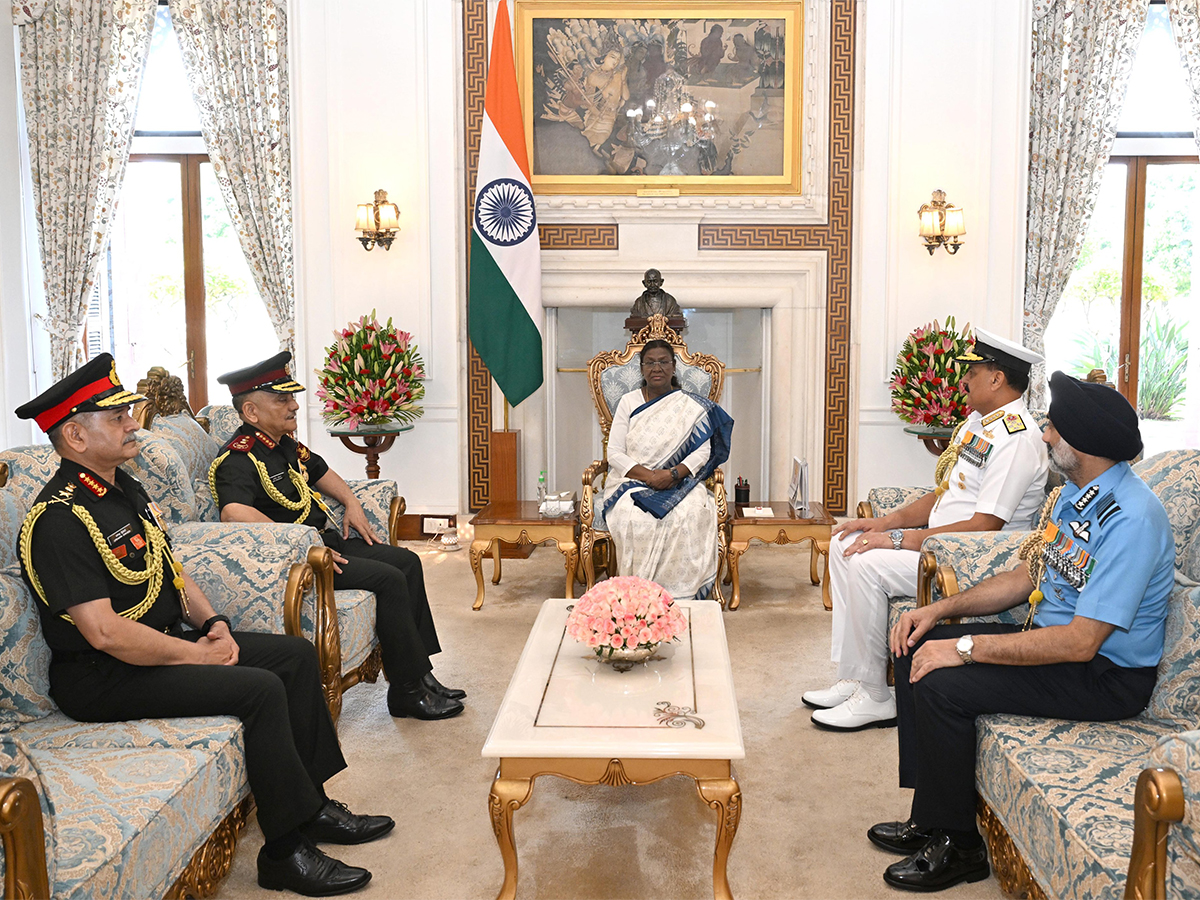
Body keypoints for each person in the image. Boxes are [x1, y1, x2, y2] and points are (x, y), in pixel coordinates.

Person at [15, 354, 392, 897]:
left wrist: (215, 623)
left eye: (128, 414)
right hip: (102, 675)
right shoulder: (59, 518)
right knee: (260, 689)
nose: (132, 424)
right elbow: (104, 633)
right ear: (74, 434)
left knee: (295, 655)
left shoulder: (125, 491)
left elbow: (172, 571)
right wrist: (197, 654)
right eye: (116, 417)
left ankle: (311, 807)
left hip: (161, 646)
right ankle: (284, 852)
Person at [874, 371, 1173, 892]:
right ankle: (933, 818)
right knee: (915, 644)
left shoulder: (1134, 519)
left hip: (1105, 675)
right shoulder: (1076, 494)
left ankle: (961, 848)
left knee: (945, 684)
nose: (1046, 436)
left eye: (1055, 429)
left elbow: (1081, 642)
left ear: (1086, 444)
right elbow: (1026, 576)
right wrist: (941, 612)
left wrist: (967, 649)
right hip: (1060, 648)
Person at [805, 329, 1048, 730]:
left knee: (867, 564)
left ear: (996, 379)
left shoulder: (1017, 439)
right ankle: (855, 676)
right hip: (942, 544)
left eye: (972, 372)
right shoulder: (977, 423)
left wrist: (897, 540)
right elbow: (941, 494)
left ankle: (877, 697)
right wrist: (882, 523)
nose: (963, 380)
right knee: (846, 541)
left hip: (976, 559)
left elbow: (985, 525)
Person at [208, 352, 465, 721]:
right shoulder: (237, 458)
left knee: (406, 561)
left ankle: (420, 675)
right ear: (251, 412)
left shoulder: (282, 444)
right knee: (389, 579)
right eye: (282, 400)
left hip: (327, 543)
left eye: (291, 397)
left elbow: (321, 471)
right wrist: (298, 542)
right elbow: (233, 512)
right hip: (303, 561)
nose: (294, 405)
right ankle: (406, 693)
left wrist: (352, 502)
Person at [602, 340, 733, 601]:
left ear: (673, 367)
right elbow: (614, 453)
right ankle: (641, 594)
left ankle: (681, 595)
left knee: (692, 513)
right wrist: (650, 476)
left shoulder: (690, 405)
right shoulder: (629, 402)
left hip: (679, 480)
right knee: (636, 517)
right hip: (632, 480)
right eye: (650, 362)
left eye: (663, 361)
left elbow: (702, 452)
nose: (656, 368)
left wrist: (673, 474)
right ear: (641, 368)